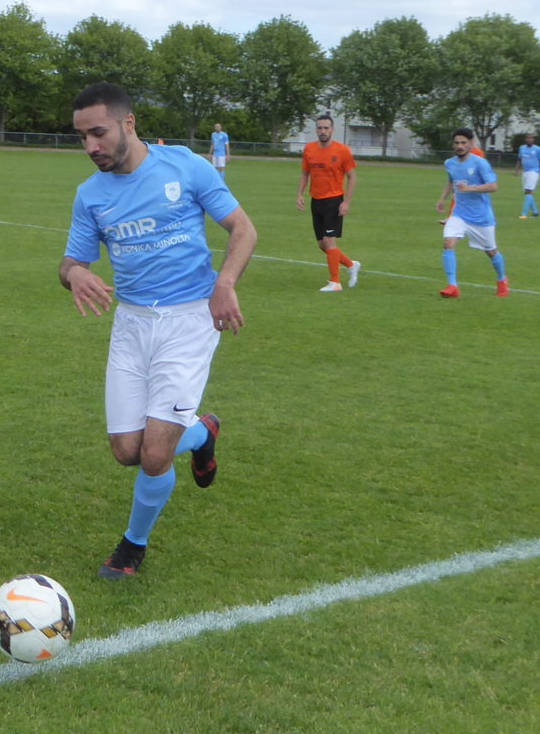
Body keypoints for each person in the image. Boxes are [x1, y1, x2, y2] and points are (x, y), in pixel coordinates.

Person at [59, 82, 257, 580]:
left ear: (129, 124)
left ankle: (132, 546)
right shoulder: (90, 196)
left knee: (152, 454)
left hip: (190, 319)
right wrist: (75, 273)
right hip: (131, 323)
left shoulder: (186, 166)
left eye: (98, 134)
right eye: (82, 137)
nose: (91, 147)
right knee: (127, 450)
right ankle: (202, 431)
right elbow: (70, 262)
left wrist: (225, 283)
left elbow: (243, 229)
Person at [435, 127, 508, 298]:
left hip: (481, 218)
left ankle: (502, 280)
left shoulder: (480, 163)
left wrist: (471, 188)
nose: (459, 146)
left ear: (471, 144)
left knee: (491, 251)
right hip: (459, 214)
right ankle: (453, 286)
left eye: (463, 143)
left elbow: (493, 186)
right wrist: (442, 199)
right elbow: (451, 181)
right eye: (457, 143)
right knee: (448, 243)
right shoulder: (450, 163)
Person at [296, 114, 361, 292]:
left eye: (326, 128)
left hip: (333, 200)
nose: (323, 131)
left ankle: (335, 283)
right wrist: (300, 194)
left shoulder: (342, 150)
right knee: (322, 244)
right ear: (316, 129)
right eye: (320, 128)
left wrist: (346, 202)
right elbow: (304, 174)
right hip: (316, 200)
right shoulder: (309, 149)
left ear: (332, 129)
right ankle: (350, 264)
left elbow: (352, 177)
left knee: (329, 242)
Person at [514, 133, 540, 219]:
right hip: (525, 172)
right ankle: (535, 212)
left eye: (531, 138)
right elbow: (519, 159)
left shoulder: (538, 149)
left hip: (534, 172)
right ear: (525, 139)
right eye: (528, 138)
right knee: (527, 193)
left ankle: (524, 214)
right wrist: (516, 170)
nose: (530, 139)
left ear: (533, 140)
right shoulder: (522, 148)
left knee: (528, 191)